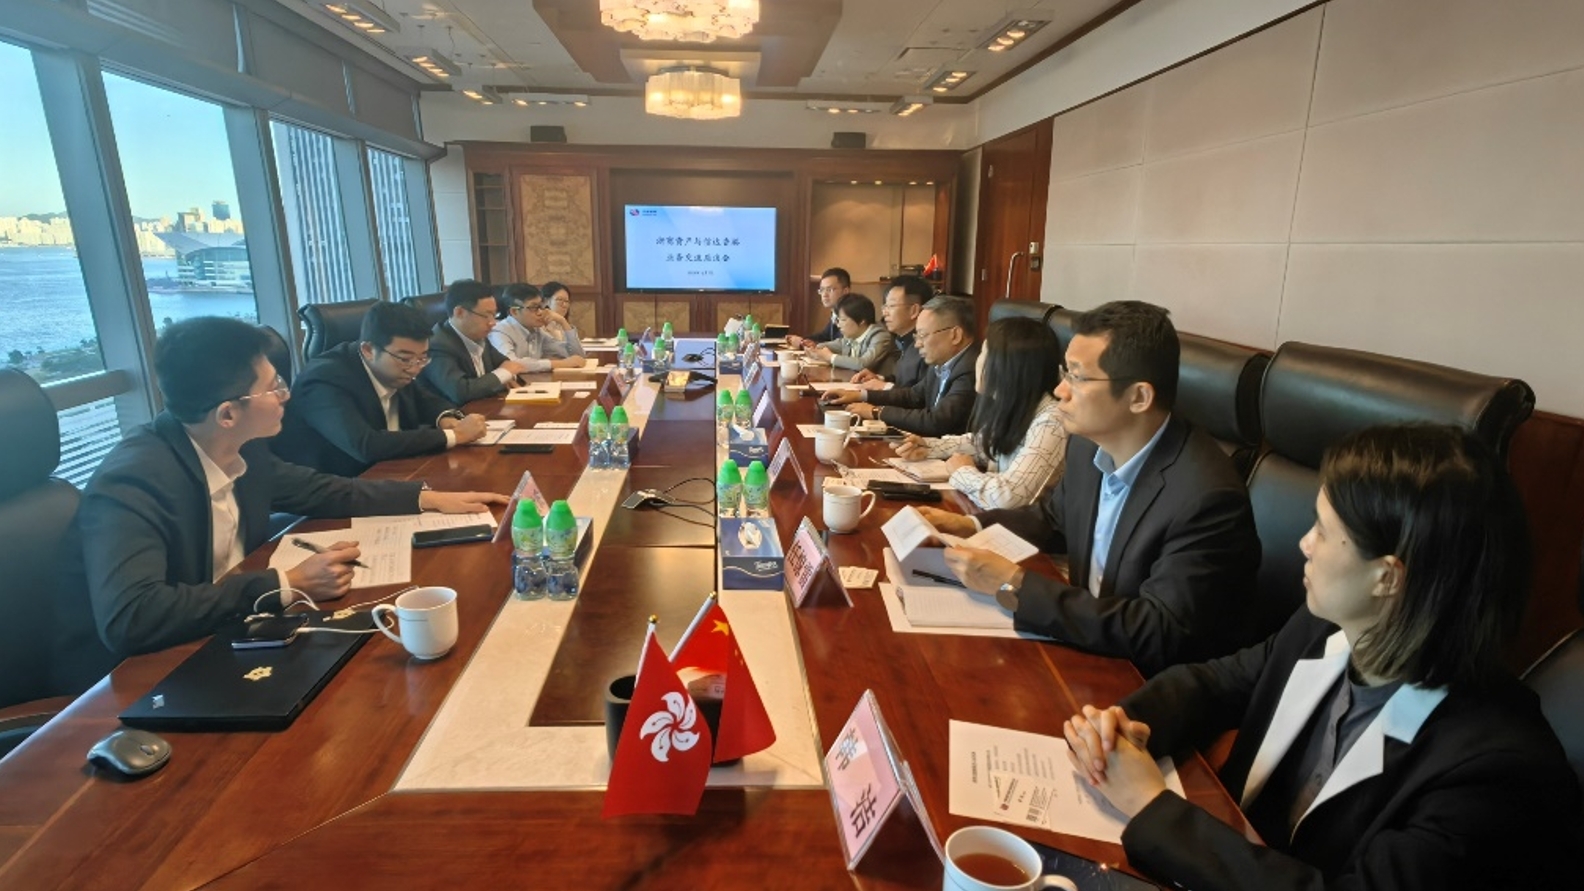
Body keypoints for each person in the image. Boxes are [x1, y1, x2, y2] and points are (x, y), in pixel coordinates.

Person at [1063, 424, 1582, 889]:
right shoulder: (1326, 627)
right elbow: (1216, 684)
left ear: (1387, 577)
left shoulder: (1495, 772)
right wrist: (1125, 725)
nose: (1304, 544)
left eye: (1323, 530)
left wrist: (1150, 804)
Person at [60, 317, 508, 660]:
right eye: (273, 387)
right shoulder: (134, 480)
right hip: (153, 668)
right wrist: (287, 584)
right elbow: (133, 617)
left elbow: (320, 490)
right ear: (227, 414)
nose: (285, 396)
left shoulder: (239, 446)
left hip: (238, 629)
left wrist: (427, 499)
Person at [921, 300, 1259, 675]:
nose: (1060, 390)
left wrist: (1016, 584)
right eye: (1065, 372)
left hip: (1140, 679)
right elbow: (1052, 519)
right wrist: (970, 525)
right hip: (1086, 644)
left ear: (1139, 397)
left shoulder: (1206, 497)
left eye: (1079, 378)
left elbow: (1159, 629)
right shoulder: (1087, 446)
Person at [272, 301, 490, 477]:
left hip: (393, 474)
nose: (415, 368)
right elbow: (365, 445)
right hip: (340, 489)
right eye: (405, 358)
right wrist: (453, 435)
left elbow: (425, 400)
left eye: (422, 357)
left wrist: (446, 417)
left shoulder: (395, 369)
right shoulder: (323, 380)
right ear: (368, 350)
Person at [892, 317, 1066, 510]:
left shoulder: (1051, 422)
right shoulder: (1015, 403)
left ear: (1007, 366)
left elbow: (1009, 498)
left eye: (984, 353)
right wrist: (928, 447)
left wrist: (962, 471)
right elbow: (984, 445)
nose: (977, 360)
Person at [823, 295, 979, 437]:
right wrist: (861, 395)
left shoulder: (971, 369)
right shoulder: (942, 362)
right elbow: (913, 396)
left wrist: (877, 412)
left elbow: (937, 421)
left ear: (955, 335)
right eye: (917, 336)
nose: (917, 344)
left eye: (923, 335)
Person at [420, 278, 530, 404]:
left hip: (486, 407)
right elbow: (460, 392)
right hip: (455, 414)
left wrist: (505, 375)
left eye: (494, 315)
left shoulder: (478, 335)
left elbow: (506, 363)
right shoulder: (437, 345)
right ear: (459, 312)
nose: (492, 322)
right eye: (486, 315)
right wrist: (503, 375)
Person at [486, 283, 586, 372]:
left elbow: (576, 356)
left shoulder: (537, 331)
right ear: (514, 311)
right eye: (534, 308)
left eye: (541, 307)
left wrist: (563, 322)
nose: (540, 312)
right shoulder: (499, 331)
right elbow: (511, 364)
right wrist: (559, 364)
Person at [853, 274, 929, 391]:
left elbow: (919, 394)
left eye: (891, 306)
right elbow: (904, 380)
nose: (885, 313)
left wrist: (885, 386)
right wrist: (880, 378)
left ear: (913, 310)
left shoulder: (926, 347)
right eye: (885, 307)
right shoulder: (904, 341)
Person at [806, 293, 897, 378]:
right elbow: (835, 344)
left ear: (861, 321)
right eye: (838, 320)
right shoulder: (852, 336)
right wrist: (815, 347)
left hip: (880, 387)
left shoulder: (880, 336)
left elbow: (863, 364)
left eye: (843, 320)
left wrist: (830, 357)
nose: (838, 325)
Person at [786, 267, 849, 348]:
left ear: (845, 291)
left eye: (829, 290)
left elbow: (842, 346)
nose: (824, 295)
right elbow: (824, 336)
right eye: (822, 290)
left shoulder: (851, 315)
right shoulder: (835, 313)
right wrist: (803, 340)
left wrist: (806, 344)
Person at [539, 280, 586, 358]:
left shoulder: (561, 325)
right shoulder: (539, 326)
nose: (564, 305)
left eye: (567, 301)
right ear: (546, 301)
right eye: (560, 300)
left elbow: (579, 355)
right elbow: (562, 354)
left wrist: (563, 322)